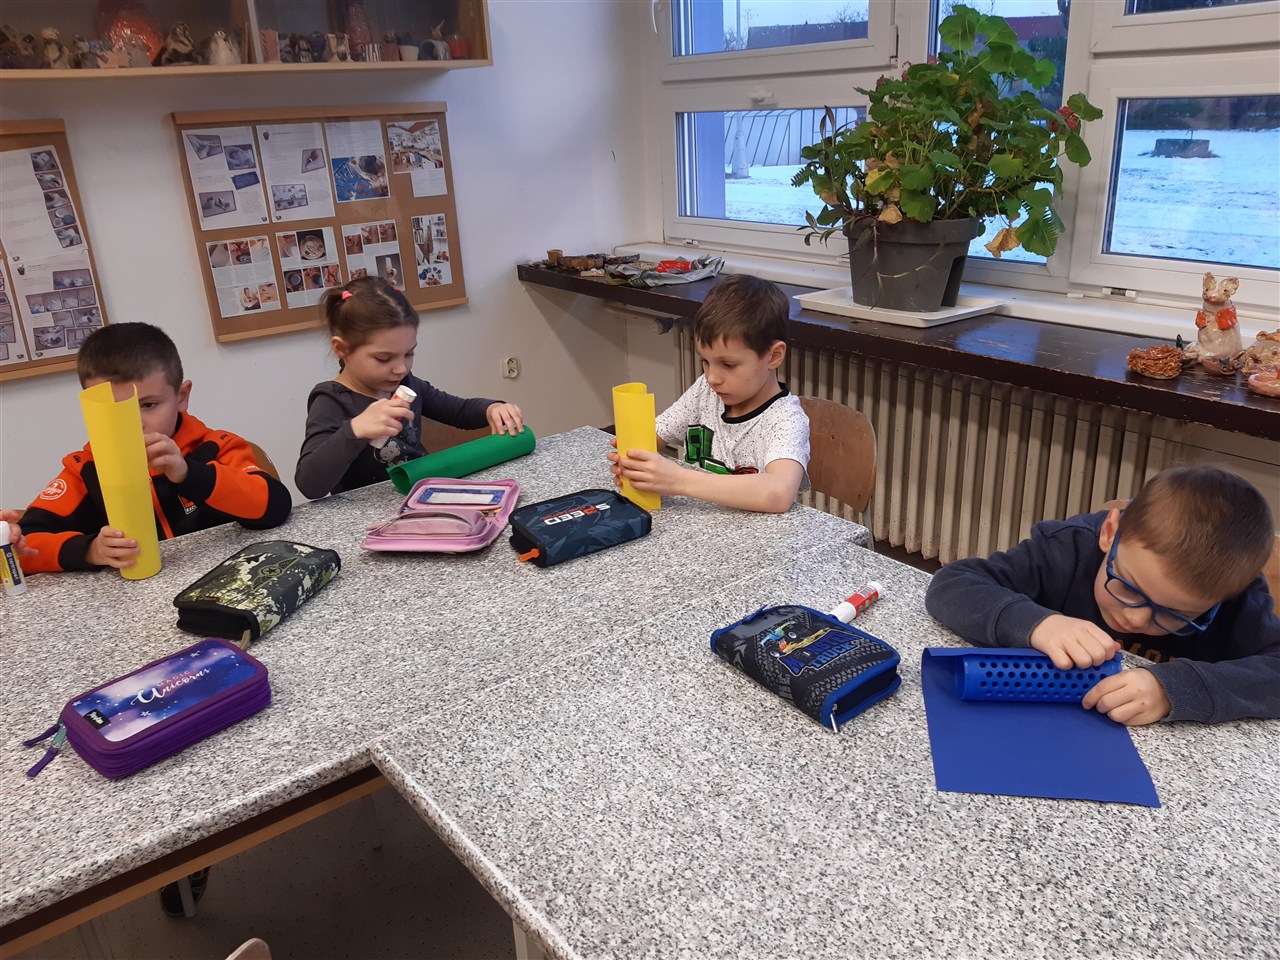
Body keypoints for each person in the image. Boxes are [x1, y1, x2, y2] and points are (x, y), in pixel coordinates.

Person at [925, 465, 1279, 726]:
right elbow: (952, 584)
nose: (1136, 618)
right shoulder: (1067, 548)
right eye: (1127, 587)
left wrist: (1176, 689)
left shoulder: (1238, 598)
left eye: (1175, 615)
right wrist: (1038, 624)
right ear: (1111, 533)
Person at [19, 323, 293, 573]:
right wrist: (90, 550)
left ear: (181, 397)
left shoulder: (217, 447)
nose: (134, 423)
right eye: (114, 411)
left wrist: (189, 474)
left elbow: (276, 506)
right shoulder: (84, 469)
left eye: (148, 405)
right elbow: (22, 548)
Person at [295, 277, 524, 499]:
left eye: (409, 353)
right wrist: (354, 431)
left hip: (421, 495)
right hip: (370, 514)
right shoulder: (331, 400)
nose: (400, 368)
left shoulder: (405, 383)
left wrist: (491, 408)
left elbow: (459, 411)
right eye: (384, 358)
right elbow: (309, 485)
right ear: (341, 348)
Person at [609, 274, 809, 514]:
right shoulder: (706, 390)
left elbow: (778, 493)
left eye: (728, 364)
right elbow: (658, 433)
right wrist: (636, 462)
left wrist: (677, 480)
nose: (712, 377)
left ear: (773, 356)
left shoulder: (785, 419)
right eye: (705, 361)